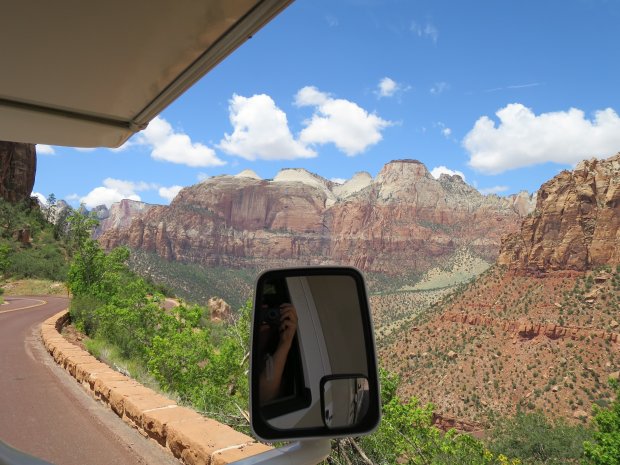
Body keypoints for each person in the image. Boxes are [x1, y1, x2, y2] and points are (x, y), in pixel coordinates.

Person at [258, 303, 298, 404]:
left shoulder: (276, 354)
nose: (267, 315)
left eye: (271, 312)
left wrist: (285, 342)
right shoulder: (244, 344)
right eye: (260, 312)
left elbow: (265, 396)